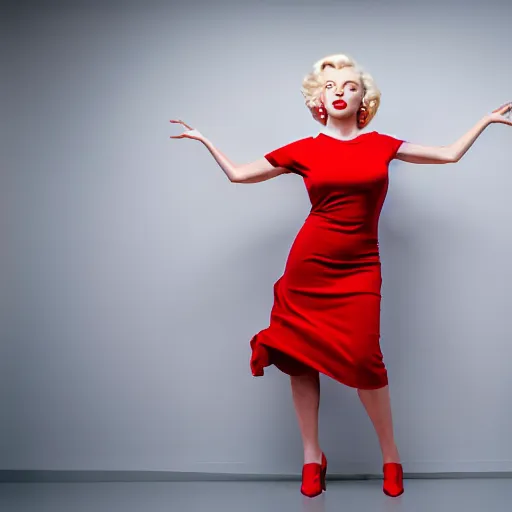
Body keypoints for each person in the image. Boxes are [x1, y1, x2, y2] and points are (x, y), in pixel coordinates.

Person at [170, 53, 512, 499]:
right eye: (330, 87)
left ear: (363, 100)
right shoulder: (304, 149)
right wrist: (205, 140)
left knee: (365, 359)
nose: (338, 92)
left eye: (349, 86)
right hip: (308, 267)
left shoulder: (382, 144)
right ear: (317, 100)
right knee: (298, 355)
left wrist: (484, 121)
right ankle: (312, 456)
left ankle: (391, 455)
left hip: (361, 268)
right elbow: (238, 175)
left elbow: (448, 155)